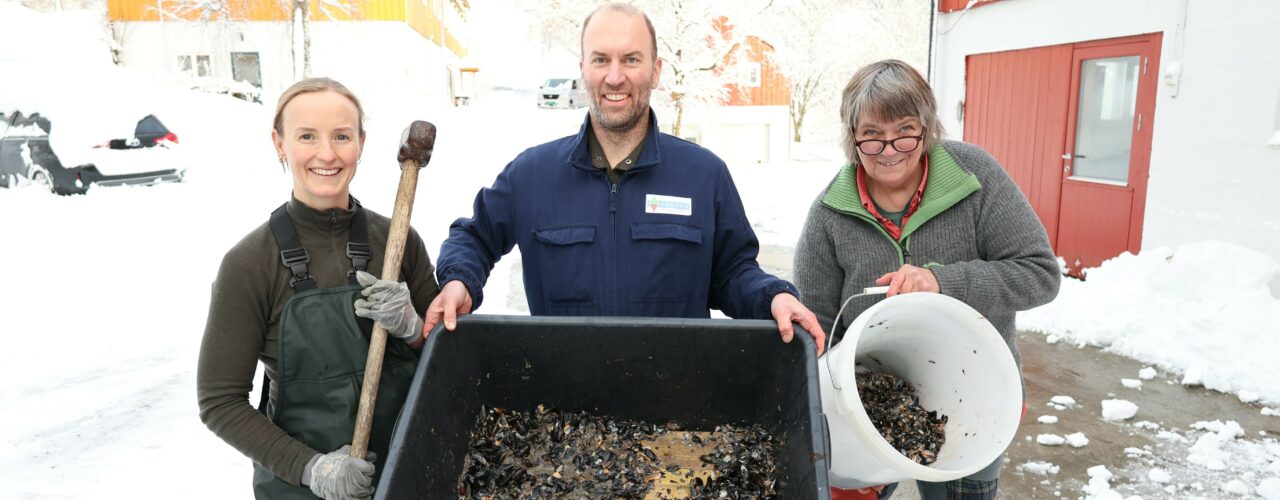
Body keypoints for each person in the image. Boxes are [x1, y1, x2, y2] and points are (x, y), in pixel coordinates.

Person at [424, 3, 825, 350]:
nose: (615, 77)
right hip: (563, 408)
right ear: (583, 68)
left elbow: (733, 272)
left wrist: (772, 297)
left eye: (631, 59)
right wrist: (459, 280)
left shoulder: (703, 176)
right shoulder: (531, 176)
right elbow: (472, 237)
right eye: (601, 59)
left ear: (656, 70)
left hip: (677, 408)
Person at [793, 60, 1061, 499]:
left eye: (904, 130)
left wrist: (944, 282)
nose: (890, 149)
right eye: (871, 135)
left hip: (975, 396)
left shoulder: (976, 177)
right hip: (865, 402)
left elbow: (1040, 274)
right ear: (851, 136)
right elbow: (816, 328)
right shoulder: (829, 214)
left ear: (928, 126)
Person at [197, 77, 440, 500]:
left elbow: (452, 364)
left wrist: (415, 329)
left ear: (361, 143)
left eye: (341, 136)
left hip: (411, 477)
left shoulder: (398, 242)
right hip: (300, 490)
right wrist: (313, 469)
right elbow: (220, 402)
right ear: (280, 143)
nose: (327, 154)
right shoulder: (250, 263)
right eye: (307, 136)